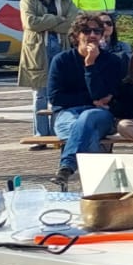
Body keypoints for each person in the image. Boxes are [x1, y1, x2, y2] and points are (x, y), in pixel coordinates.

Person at [46, 14, 125, 191]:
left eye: (97, 31)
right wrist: (91, 99)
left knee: (88, 117)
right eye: (86, 31)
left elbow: (105, 95)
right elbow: (56, 97)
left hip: (100, 114)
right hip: (67, 114)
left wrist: (90, 65)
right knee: (86, 133)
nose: (93, 35)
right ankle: (97, 191)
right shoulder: (62, 60)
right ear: (76, 35)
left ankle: (66, 167)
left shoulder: (112, 61)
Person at [20, 0, 76, 138]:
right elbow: (31, 23)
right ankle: (41, 135)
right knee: (40, 95)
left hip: (61, 46)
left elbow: (72, 23)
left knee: (59, 93)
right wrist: (57, 19)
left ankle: (57, 133)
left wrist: (46, 23)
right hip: (38, 50)